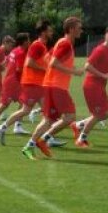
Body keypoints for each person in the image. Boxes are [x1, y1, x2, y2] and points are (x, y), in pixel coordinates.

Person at [24, 16, 86, 160]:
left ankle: (30, 146)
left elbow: (47, 59)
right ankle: (44, 140)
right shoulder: (65, 43)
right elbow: (53, 63)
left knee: (48, 120)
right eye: (79, 27)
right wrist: (73, 71)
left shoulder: (62, 42)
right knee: (69, 117)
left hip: (53, 85)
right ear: (71, 29)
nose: (81, 30)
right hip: (56, 86)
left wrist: (68, 67)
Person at [0, 20, 53, 145]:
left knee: (45, 111)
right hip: (33, 84)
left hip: (38, 84)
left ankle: (47, 137)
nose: (52, 32)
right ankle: (45, 138)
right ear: (43, 33)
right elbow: (30, 63)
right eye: (49, 30)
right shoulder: (37, 45)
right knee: (28, 110)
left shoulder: (41, 46)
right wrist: (46, 69)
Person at [74, 25, 108, 147]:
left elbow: (104, 68)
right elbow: (87, 66)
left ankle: (79, 125)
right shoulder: (100, 49)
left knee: (106, 113)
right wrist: (104, 76)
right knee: (100, 114)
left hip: (99, 86)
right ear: (105, 36)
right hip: (92, 85)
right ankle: (81, 139)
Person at [0, 33, 29, 135]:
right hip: (14, 83)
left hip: (12, 81)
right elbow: (19, 69)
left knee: (24, 104)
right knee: (5, 104)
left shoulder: (14, 51)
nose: (29, 42)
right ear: (25, 42)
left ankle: (17, 126)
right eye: (28, 40)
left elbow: (6, 62)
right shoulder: (20, 53)